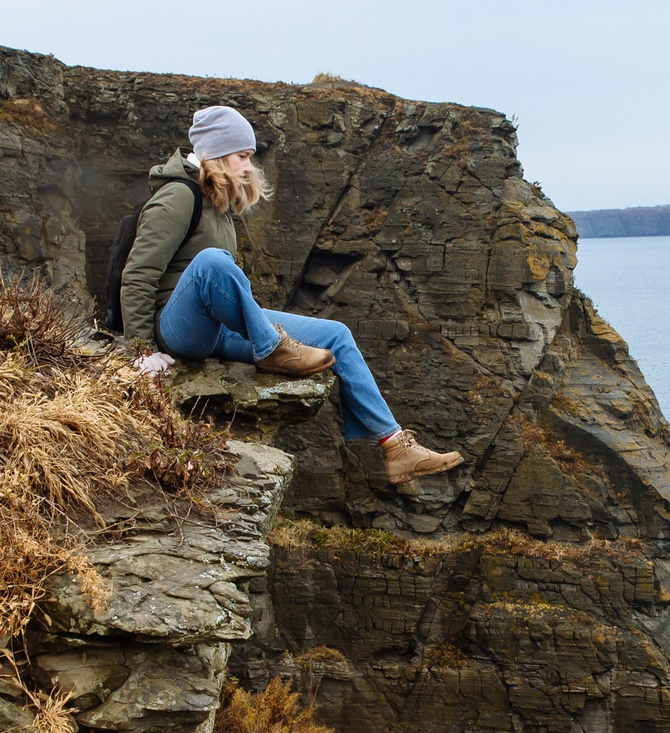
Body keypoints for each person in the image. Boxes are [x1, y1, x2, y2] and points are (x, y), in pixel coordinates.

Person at [121, 104, 464, 485]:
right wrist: (142, 351)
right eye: (241, 156)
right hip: (176, 327)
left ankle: (395, 446)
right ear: (215, 153)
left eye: (250, 156)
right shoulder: (178, 196)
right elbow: (137, 275)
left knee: (337, 335)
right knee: (212, 263)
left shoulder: (216, 202)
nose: (248, 166)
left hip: (214, 331)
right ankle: (272, 349)